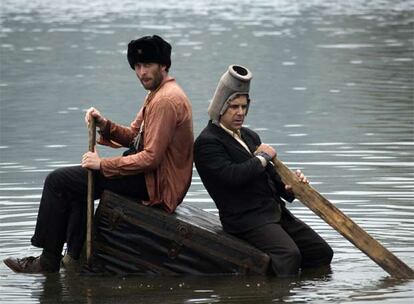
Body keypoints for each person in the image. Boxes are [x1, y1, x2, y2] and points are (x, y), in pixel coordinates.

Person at [4, 35, 194, 273]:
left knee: (58, 181)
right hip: (153, 179)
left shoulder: (166, 100)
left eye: (147, 65)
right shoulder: (157, 94)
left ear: (163, 65)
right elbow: (135, 135)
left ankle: (48, 261)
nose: (141, 72)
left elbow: (151, 157)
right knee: (74, 185)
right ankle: (72, 257)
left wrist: (103, 165)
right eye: (137, 66)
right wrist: (104, 124)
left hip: (156, 185)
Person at [194, 64, 333, 277]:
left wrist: (290, 186)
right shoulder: (207, 142)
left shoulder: (249, 136)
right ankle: (274, 294)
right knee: (289, 255)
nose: (240, 113)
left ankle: (303, 291)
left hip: (274, 213)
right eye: (234, 107)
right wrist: (262, 158)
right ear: (221, 107)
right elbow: (232, 177)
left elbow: (270, 177)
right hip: (244, 220)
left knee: (321, 252)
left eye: (244, 107)